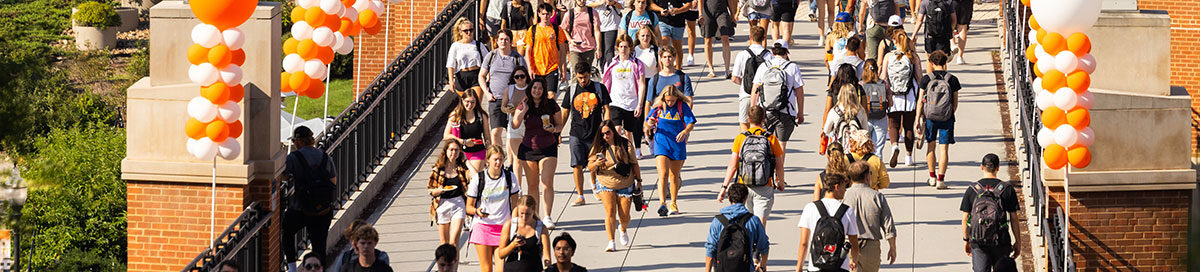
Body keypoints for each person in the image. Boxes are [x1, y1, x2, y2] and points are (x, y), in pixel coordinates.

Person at [717, 105, 786, 229]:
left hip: (745, 185)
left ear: (748, 119)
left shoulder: (740, 138)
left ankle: (746, 246)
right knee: (760, 223)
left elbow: (733, 165)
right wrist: (780, 181)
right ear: (763, 119)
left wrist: (724, 187)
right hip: (765, 186)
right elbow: (779, 165)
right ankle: (758, 246)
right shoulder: (771, 138)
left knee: (745, 222)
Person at [283, 125, 338, 270]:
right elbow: (333, 182)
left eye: (295, 140)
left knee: (287, 231)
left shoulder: (293, 157)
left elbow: (283, 176)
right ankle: (319, 268)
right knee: (319, 245)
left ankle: (292, 267)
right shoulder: (325, 156)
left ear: (299, 141)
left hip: (300, 209)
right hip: (323, 210)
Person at [513, 79, 565, 228]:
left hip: (548, 147)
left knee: (547, 182)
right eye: (534, 88)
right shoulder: (525, 104)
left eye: (540, 88)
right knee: (532, 185)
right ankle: (535, 215)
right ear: (530, 89)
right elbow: (514, 124)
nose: (537, 91)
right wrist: (521, 112)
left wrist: (553, 130)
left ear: (544, 90)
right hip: (528, 148)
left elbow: (560, 124)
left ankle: (548, 216)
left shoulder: (551, 104)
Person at [561, 62, 612, 207]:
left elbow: (606, 108)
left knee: (594, 164)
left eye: (585, 77)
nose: (582, 80)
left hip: (595, 133)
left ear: (590, 74)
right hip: (576, 133)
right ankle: (580, 195)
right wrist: (559, 130)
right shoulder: (571, 90)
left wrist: (607, 126)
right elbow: (565, 112)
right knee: (576, 164)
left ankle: (595, 185)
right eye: (579, 77)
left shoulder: (599, 88)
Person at [960, 153, 1022, 272]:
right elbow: (1014, 218)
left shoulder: (972, 190)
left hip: (978, 241)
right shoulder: (1006, 189)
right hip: (1001, 240)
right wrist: (1018, 242)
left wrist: (966, 240)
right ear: (998, 168)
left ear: (982, 167)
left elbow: (965, 218)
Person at [466, 145, 522, 272]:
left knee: (501, 268)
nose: (498, 162)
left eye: (501, 159)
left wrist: (515, 225)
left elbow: (515, 205)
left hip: (503, 227)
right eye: (495, 159)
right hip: (482, 227)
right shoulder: (479, 179)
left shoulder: (509, 177)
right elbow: (468, 207)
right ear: (488, 160)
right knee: (486, 269)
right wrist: (476, 211)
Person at [588, 121, 642, 251]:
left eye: (608, 132)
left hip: (625, 183)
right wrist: (596, 163)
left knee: (625, 216)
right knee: (610, 211)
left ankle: (622, 228)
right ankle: (611, 241)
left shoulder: (625, 144)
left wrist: (639, 181)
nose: (606, 136)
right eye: (603, 134)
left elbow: (634, 164)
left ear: (613, 131)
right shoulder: (598, 147)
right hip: (605, 183)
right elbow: (590, 167)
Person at [645, 85, 696, 216]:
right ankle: (662, 203)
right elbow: (648, 122)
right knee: (663, 174)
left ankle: (673, 202)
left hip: (677, 144)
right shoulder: (659, 107)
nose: (669, 103)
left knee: (674, 176)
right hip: (661, 143)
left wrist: (685, 132)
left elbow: (691, 123)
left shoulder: (681, 106)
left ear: (677, 98)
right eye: (667, 100)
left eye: (672, 100)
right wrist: (649, 123)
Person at [914, 50, 960, 189]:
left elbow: (920, 101)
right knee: (944, 149)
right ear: (945, 63)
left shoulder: (926, 79)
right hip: (946, 117)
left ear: (932, 63)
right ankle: (941, 180)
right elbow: (955, 101)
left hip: (930, 117)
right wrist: (949, 113)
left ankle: (932, 177)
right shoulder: (952, 79)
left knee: (931, 146)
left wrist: (918, 119)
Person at [796, 173, 860, 272]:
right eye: (844, 187)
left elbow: (804, 243)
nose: (845, 190)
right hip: (840, 265)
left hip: (815, 266)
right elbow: (854, 243)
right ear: (836, 187)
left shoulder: (810, 208)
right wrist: (853, 261)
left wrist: (799, 268)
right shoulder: (848, 211)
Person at [750, 44, 805, 156]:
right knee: (781, 145)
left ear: (773, 53)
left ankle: (765, 169)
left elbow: (755, 89)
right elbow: (799, 91)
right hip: (786, 110)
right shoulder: (792, 67)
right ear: (786, 53)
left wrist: (753, 110)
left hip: (766, 110)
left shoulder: (764, 66)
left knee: (764, 141)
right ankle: (779, 172)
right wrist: (800, 113)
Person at [841, 161, 897, 272]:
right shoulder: (877, 197)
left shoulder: (844, 196)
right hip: (871, 247)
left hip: (848, 246)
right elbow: (888, 225)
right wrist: (892, 247)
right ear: (867, 177)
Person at [601, 35, 649, 159]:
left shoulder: (637, 64)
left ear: (630, 48)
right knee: (616, 129)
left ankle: (629, 155)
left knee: (629, 132)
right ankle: (617, 156)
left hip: (631, 102)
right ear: (617, 48)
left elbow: (642, 83)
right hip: (615, 101)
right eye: (621, 46)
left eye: (626, 47)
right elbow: (605, 82)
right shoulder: (611, 63)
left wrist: (640, 103)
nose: (623, 49)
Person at [704, 183, 770, 272]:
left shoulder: (718, 221)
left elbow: (710, 249)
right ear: (745, 198)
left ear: (729, 198)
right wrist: (763, 265)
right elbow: (764, 245)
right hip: (745, 268)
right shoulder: (753, 220)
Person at [880, 30, 921, 168]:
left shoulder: (888, 56)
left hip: (893, 95)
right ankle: (909, 156)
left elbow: (883, 77)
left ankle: (894, 146)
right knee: (909, 126)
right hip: (909, 95)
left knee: (893, 124)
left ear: (895, 41)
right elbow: (919, 77)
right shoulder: (913, 56)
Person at [481, 30, 530, 146]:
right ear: (497, 41)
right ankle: (499, 161)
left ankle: (511, 163)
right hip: (495, 99)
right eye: (501, 39)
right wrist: (486, 93)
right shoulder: (491, 56)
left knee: (512, 133)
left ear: (511, 42)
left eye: (506, 39)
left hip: (513, 100)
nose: (503, 42)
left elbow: (526, 79)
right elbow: (481, 76)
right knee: (495, 132)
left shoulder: (518, 59)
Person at [428, 139, 470, 247]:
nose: (453, 153)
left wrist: (466, 161)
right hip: (442, 204)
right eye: (451, 150)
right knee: (444, 243)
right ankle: (445, 263)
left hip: (458, 203)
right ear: (446, 151)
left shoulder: (462, 168)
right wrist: (439, 190)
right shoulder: (438, 169)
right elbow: (431, 190)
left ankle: (455, 263)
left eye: (456, 150)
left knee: (454, 241)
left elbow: (475, 176)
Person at [731, 26, 773, 131]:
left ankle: (746, 144)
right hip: (763, 97)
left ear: (750, 37)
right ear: (764, 38)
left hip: (746, 94)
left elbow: (734, 77)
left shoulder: (742, 54)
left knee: (744, 123)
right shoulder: (768, 56)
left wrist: (744, 84)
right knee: (760, 125)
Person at [498, 195, 554, 271]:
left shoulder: (541, 228)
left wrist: (547, 269)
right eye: (521, 213)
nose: (524, 217)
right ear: (517, 210)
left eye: (528, 214)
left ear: (533, 211)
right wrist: (513, 245)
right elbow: (501, 254)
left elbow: (547, 256)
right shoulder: (510, 225)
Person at [525, 4, 569, 99]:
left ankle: (551, 114)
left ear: (551, 14)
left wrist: (563, 69)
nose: (545, 16)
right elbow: (527, 51)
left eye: (547, 14)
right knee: (536, 97)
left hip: (551, 68)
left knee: (551, 96)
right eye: (543, 14)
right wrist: (530, 68)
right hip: (536, 68)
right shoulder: (532, 30)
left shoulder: (557, 30)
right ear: (539, 14)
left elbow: (562, 51)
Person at [443, 89, 491, 172]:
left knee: (473, 175)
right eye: (467, 102)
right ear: (462, 101)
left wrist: (489, 150)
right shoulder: (455, 115)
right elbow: (446, 136)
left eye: (473, 102)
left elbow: (487, 136)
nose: (470, 105)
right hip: (459, 153)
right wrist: (463, 141)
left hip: (478, 151)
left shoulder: (481, 116)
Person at [503, 68, 533, 186]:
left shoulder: (531, 89)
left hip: (529, 123)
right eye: (517, 77)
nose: (520, 79)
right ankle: (518, 187)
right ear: (513, 78)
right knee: (517, 158)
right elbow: (503, 106)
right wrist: (507, 109)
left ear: (526, 77)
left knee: (529, 158)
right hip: (514, 123)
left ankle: (531, 183)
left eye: (522, 76)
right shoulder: (509, 90)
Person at [447, 18, 489, 95]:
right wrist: (451, 81)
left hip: (476, 74)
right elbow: (451, 64)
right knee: (464, 104)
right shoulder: (455, 46)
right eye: (466, 31)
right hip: (462, 75)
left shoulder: (478, 44)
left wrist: (488, 74)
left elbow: (487, 60)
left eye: (471, 30)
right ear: (460, 32)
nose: (469, 32)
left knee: (477, 103)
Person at [646, 47, 694, 114]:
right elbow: (648, 102)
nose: (667, 59)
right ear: (661, 59)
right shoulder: (655, 79)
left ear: (674, 58)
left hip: (678, 117)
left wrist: (685, 117)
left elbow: (689, 99)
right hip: (660, 118)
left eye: (669, 57)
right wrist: (647, 121)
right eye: (664, 57)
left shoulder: (683, 77)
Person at [561, 0, 601, 76]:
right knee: (576, 73)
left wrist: (598, 48)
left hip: (589, 47)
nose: (582, 1)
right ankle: (574, 88)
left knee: (586, 74)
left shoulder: (593, 12)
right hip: (575, 48)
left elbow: (597, 30)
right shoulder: (569, 13)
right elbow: (563, 29)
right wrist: (570, 40)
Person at [823, 85, 870, 149]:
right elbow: (866, 130)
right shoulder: (860, 110)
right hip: (856, 149)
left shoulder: (834, 111)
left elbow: (826, 131)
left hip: (839, 149)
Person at [861, 59, 891, 157]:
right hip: (881, 117)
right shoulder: (884, 84)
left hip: (865, 118)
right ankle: (877, 169)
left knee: (864, 148)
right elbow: (891, 103)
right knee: (878, 148)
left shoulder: (860, 85)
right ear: (877, 69)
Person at [651, 0, 692, 68]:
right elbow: (651, 4)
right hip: (662, 21)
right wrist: (660, 9)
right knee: (664, 44)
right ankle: (664, 69)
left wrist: (679, 10)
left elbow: (689, 4)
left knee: (677, 47)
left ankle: (678, 70)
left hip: (678, 22)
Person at [699, 0, 734, 78]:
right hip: (707, 12)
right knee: (708, 39)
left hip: (722, 11)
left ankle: (727, 70)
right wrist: (700, 14)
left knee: (725, 37)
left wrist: (732, 13)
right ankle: (711, 69)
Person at [589, 0, 622, 69]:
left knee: (609, 50)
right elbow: (588, 4)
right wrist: (601, 2)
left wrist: (614, 3)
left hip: (612, 26)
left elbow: (622, 6)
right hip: (597, 26)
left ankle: (609, 70)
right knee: (600, 49)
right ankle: (602, 69)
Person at [951, 0, 972, 64]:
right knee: (963, 28)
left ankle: (953, 44)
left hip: (952, 2)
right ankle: (959, 57)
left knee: (950, 24)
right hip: (966, 3)